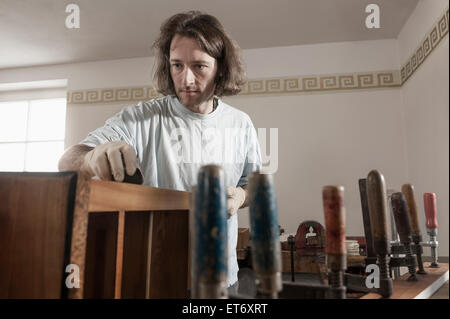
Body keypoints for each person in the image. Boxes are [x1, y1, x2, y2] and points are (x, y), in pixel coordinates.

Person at [58, 11, 261, 294]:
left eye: (199, 66)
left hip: (222, 278)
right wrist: (90, 158)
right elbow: (68, 159)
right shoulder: (142, 118)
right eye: (177, 65)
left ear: (221, 68)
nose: (186, 78)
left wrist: (240, 196)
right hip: (154, 277)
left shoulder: (241, 124)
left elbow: (255, 184)